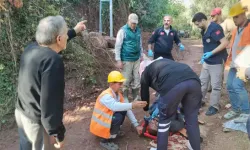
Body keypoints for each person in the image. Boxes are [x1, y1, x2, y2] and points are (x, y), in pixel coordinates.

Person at [15, 15, 86, 150]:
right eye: (65, 34)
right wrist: (58, 133)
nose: (66, 36)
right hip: (37, 123)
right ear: (59, 39)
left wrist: (74, 31)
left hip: (22, 113)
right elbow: (51, 103)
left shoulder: (30, 48)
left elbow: (52, 41)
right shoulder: (53, 61)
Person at [140, 57, 202, 150]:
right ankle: (195, 147)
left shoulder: (146, 72)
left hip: (175, 85)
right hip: (194, 82)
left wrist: (146, 108)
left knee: (164, 121)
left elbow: (144, 94)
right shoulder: (166, 63)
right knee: (192, 118)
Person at [89, 71, 147, 150]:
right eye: (119, 83)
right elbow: (115, 106)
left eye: (122, 83)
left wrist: (136, 125)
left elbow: (126, 108)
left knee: (123, 111)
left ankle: (113, 132)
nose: (121, 85)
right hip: (100, 127)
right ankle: (105, 140)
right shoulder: (106, 96)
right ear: (111, 84)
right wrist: (132, 105)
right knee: (118, 117)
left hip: (105, 122)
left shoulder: (117, 94)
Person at [192, 12, 229, 116]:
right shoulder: (203, 30)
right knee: (202, 83)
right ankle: (200, 101)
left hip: (217, 61)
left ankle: (214, 106)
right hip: (207, 62)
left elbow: (225, 43)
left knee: (215, 85)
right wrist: (204, 56)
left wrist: (211, 53)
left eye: (198, 24)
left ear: (203, 20)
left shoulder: (215, 28)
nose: (197, 26)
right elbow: (207, 45)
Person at [224, 2, 250, 123]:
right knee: (229, 85)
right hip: (234, 64)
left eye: (236, 17)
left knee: (237, 85)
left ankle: (246, 112)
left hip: (245, 65)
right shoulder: (235, 30)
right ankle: (236, 109)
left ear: (243, 15)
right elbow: (233, 47)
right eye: (233, 17)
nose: (234, 20)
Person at [115, 13, 143, 102]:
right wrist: (118, 60)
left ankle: (135, 97)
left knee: (137, 79)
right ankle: (125, 97)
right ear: (128, 21)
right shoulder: (123, 31)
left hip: (136, 59)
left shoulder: (138, 30)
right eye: (132, 23)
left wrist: (141, 55)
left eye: (135, 23)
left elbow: (140, 43)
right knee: (126, 80)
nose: (134, 25)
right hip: (126, 59)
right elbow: (118, 46)